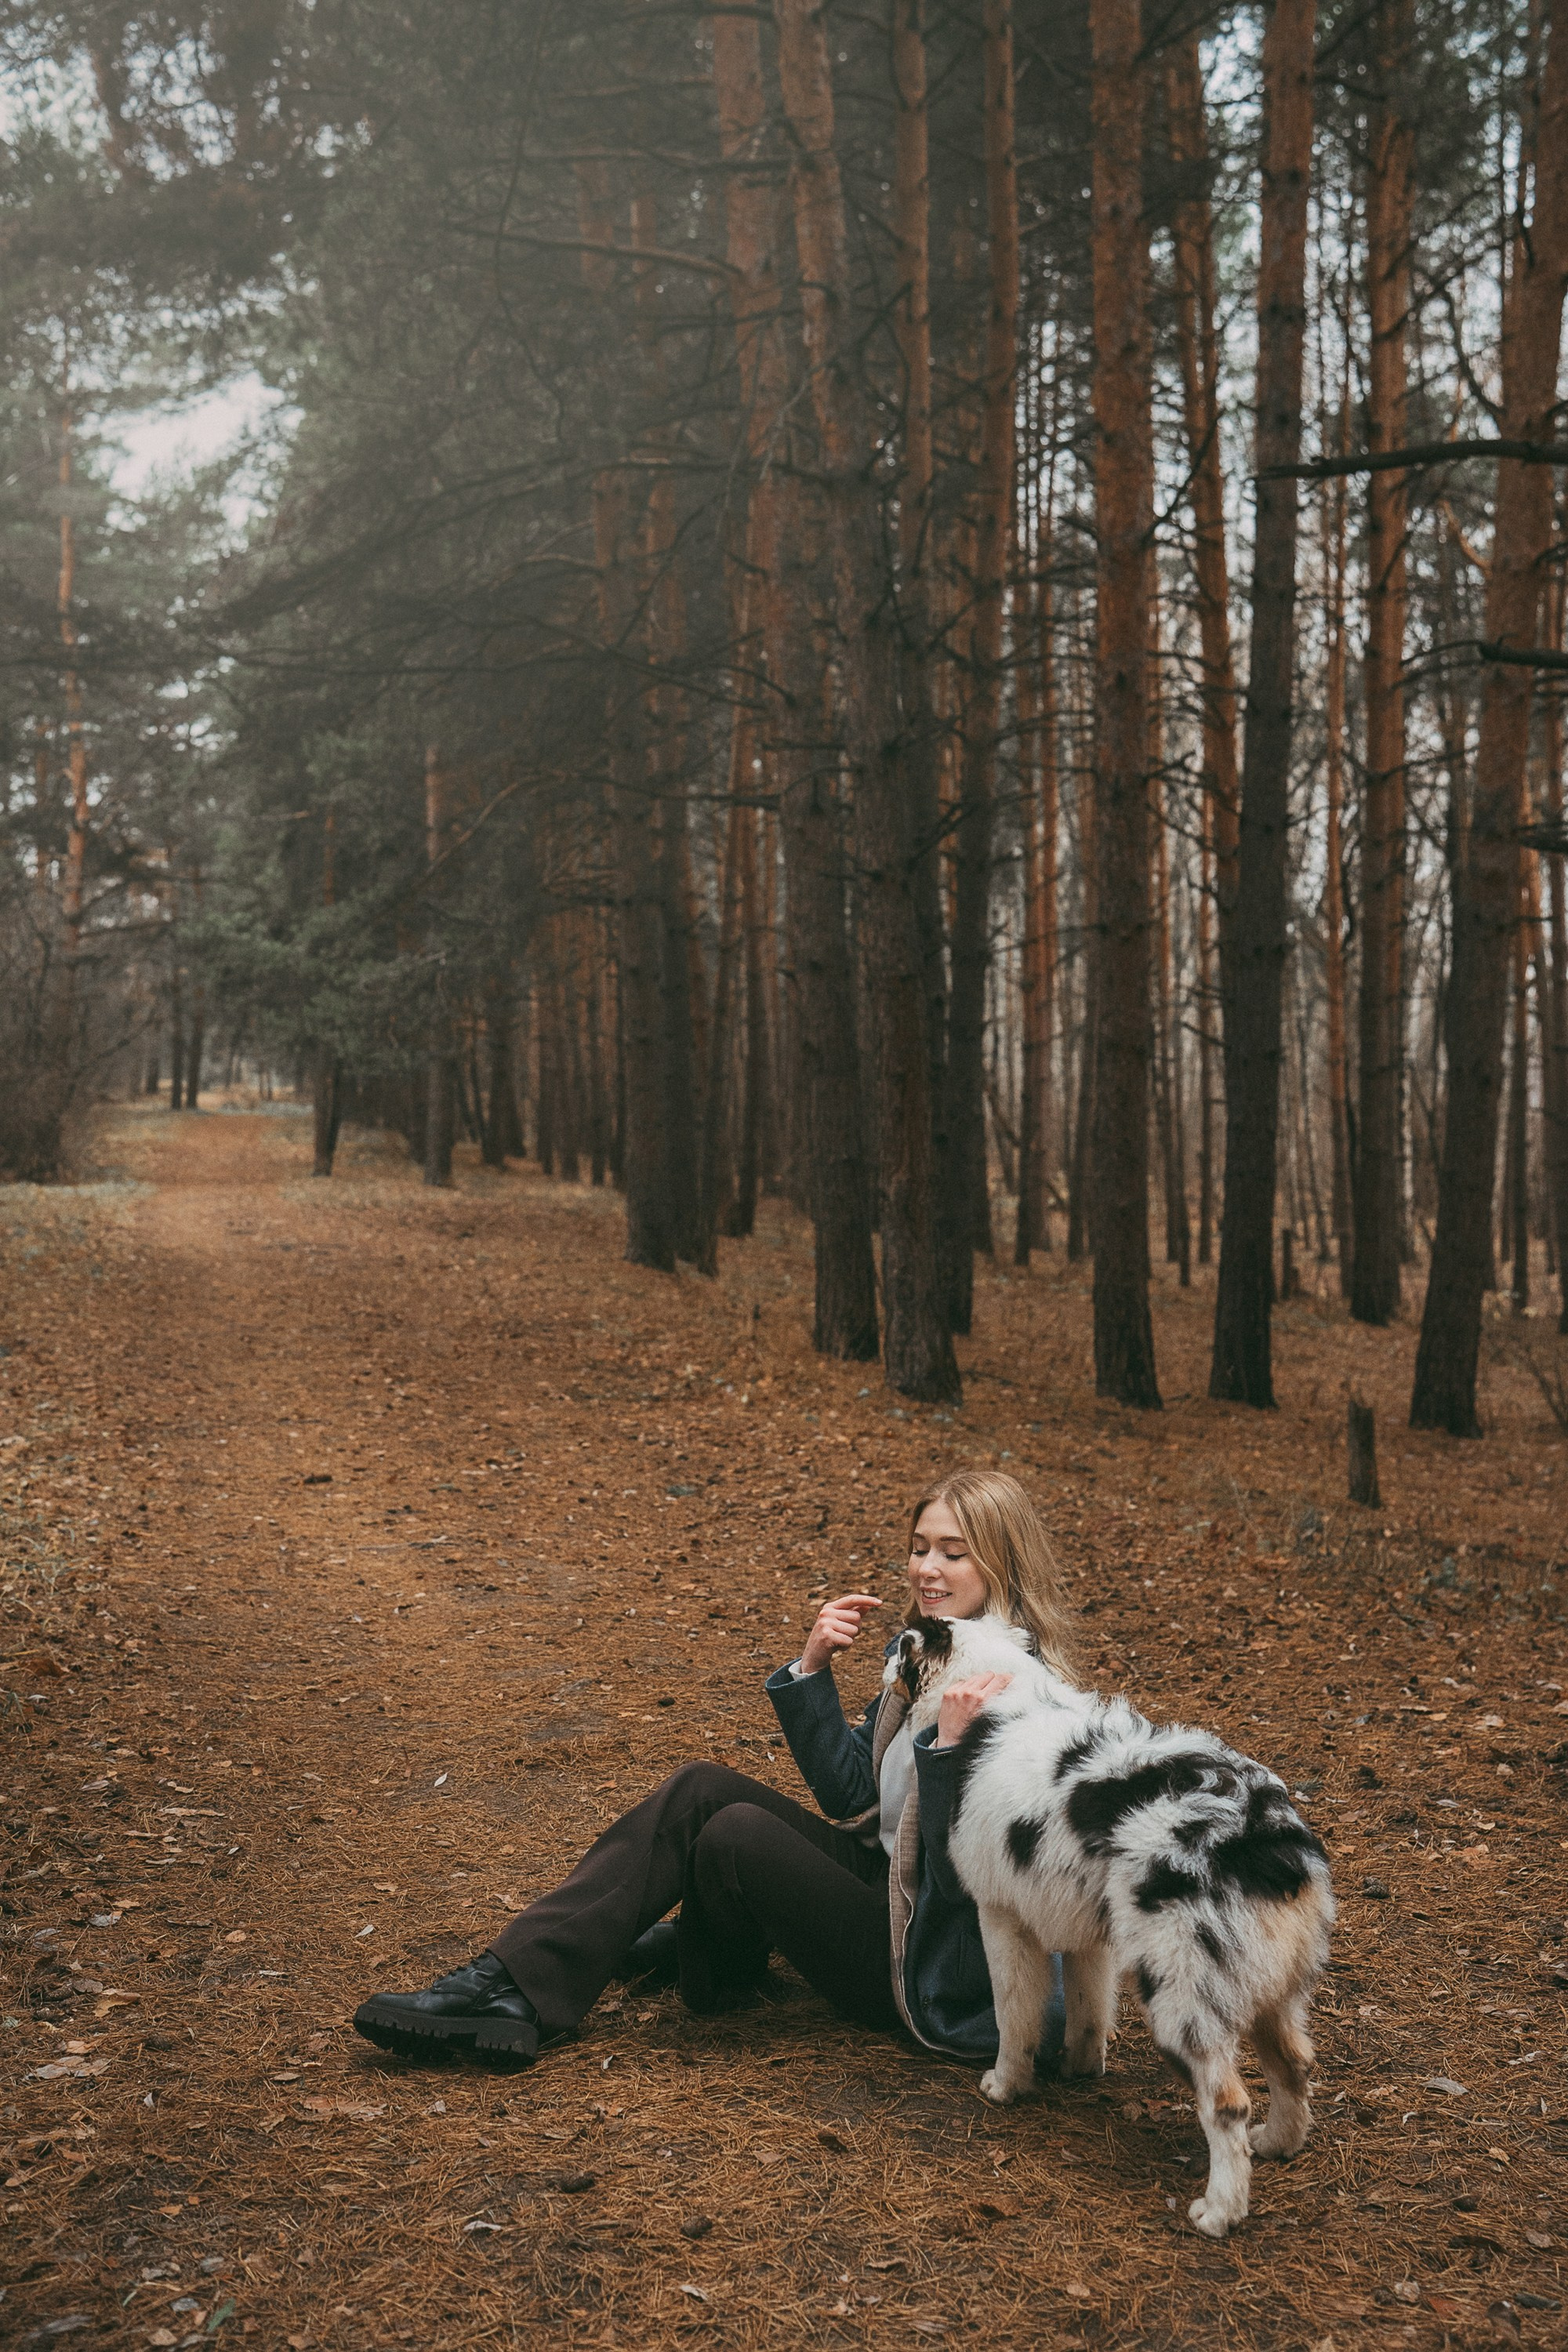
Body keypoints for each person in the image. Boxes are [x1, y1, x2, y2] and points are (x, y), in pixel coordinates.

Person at [353, 1468, 1076, 2069]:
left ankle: (657, 1959)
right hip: (883, 1883)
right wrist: (813, 1667)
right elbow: (853, 1795)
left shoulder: (1015, 1695)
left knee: (735, 1835)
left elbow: (969, 1896)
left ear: (999, 1562)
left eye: (953, 1552)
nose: (926, 1568)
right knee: (701, 1787)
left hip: (926, 1953)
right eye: (919, 1547)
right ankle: (506, 1982)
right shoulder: (934, 1653)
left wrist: (948, 1752)